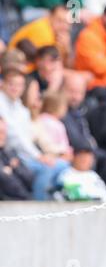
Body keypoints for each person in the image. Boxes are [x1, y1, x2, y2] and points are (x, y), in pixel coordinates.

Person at [0, 67, 68, 200]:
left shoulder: (20, 108)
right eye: (11, 84)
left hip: (26, 154)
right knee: (45, 169)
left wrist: (51, 153)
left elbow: (29, 137)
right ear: (3, 84)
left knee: (62, 165)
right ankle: (36, 205)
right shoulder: (1, 105)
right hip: (10, 155)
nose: (15, 88)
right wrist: (39, 157)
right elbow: (16, 139)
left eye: (19, 85)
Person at [0, 116, 34, 200]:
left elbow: (29, 178)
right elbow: (4, 178)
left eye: (3, 132)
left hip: (22, 199)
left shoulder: (10, 151)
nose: (2, 136)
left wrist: (15, 168)